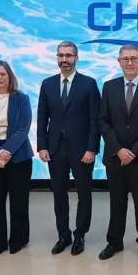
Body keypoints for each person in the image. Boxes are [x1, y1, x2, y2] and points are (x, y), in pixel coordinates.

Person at [98, 45, 138, 264]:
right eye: (125, 59)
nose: (129, 62)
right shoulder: (109, 87)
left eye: (134, 58)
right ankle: (114, 241)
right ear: (119, 62)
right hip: (115, 156)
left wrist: (133, 151)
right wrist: (118, 149)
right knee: (117, 201)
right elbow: (103, 121)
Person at [37, 41, 101, 256]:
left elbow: (95, 119)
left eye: (69, 55)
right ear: (57, 58)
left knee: (84, 194)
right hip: (55, 148)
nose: (64, 59)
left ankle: (80, 235)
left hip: (82, 149)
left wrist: (92, 149)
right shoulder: (47, 84)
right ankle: (63, 235)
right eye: (61, 55)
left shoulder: (89, 84)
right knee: (59, 194)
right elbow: (42, 117)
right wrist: (42, 146)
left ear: (76, 58)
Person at [0, 60, 34, 255]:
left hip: (19, 155)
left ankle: (19, 240)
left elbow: (23, 128)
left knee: (19, 201)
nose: (0, 78)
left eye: (3, 74)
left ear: (10, 77)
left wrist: (6, 152)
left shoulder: (22, 99)